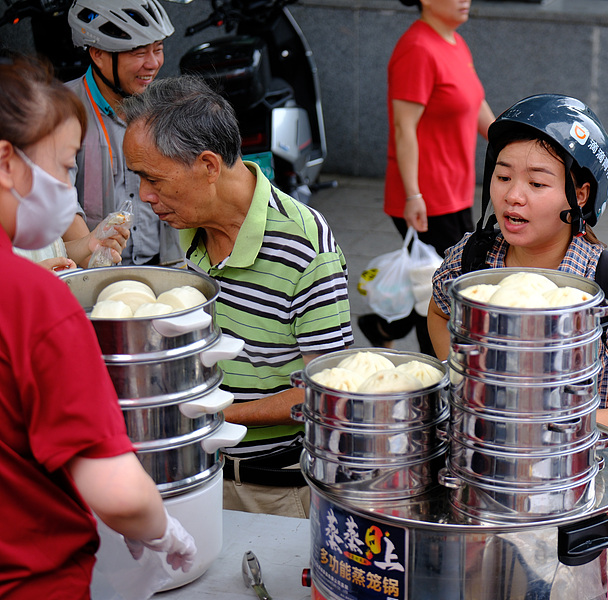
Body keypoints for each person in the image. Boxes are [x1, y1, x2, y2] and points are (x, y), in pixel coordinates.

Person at [0, 53, 195, 599]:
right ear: (7, 164)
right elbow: (119, 493)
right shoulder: (34, 300)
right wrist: (160, 529)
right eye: (64, 167)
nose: (68, 188)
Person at [121, 76, 354, 519]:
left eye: (153, 179)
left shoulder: (306, 250)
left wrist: (209, 416)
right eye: (139, 178)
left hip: (275, 490)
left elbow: (328, 395)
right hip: (196, 470)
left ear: (208, 165)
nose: (145, 196)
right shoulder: (186, 224)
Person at [428, 94, 608, 455]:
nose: (513, 195)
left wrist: (531, 418)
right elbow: (439, 312)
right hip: (482, 470)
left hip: (581, 485)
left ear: (580, 195)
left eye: (537, 184)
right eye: (503, 176)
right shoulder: (473, 259)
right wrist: (466, 380)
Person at [357, 0, 494, 356]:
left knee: (435, 279)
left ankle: (383, 326)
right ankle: (435, 373)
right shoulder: (416, 48)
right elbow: (404, 128)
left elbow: (475, 102)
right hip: (427, 196)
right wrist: (414, 194)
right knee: (439, 288)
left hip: (457, 189)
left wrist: (511, 139)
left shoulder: (454, 42)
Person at [65, 0, 182, 266]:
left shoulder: (164, 105)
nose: (153, 64)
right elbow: (61, 201)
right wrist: (98, 267)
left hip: (162, 265)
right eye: (139, 53)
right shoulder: (60, 111)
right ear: (98, 54)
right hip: (99, 273)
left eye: (159, 49)